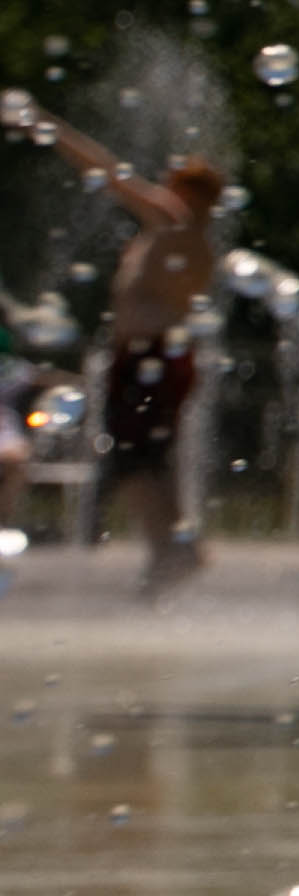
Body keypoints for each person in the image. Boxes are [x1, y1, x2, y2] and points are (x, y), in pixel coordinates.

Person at [14, 113, 225, 593]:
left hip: (151, 358)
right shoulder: (188, 239)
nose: (164, 190)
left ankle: (171, 551)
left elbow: (109, 173)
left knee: (134, 457)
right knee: (148, 457)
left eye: (175, 184)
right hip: (151, 359)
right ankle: (175, 548)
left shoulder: (175, 222)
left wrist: (50, 128)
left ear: (193, 195)